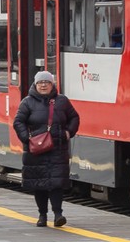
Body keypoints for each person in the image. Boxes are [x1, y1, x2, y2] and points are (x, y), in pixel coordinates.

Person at [13, 70, 80, 227]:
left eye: (47, 82)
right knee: (39, 184)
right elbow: (18, 122)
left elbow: (74, 117)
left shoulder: (62, 101)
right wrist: (26, 138)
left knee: (56, 183)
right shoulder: (27, 102)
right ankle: (42, 215)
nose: (44, 85)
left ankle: (58, 214)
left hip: (58, 148)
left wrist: (68, 132)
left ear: (52, 84)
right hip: (36, 150)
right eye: (40, 83)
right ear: (35, 85)